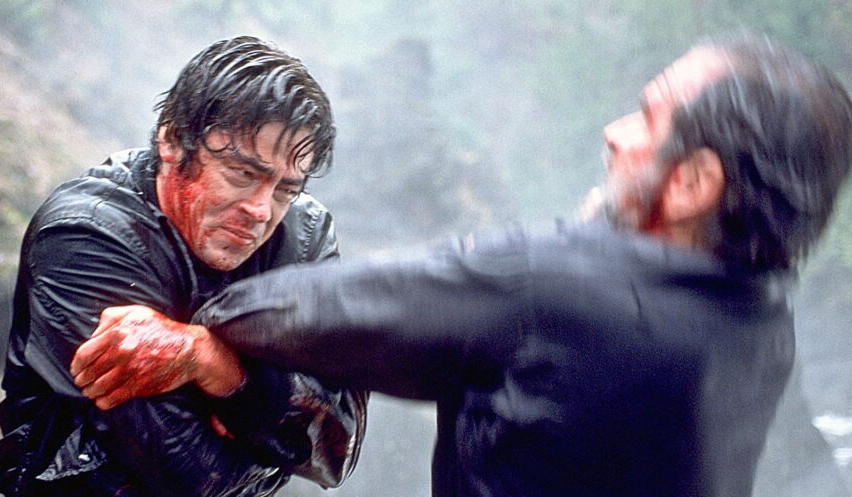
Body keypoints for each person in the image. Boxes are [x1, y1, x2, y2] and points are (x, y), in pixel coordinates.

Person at [72, 36, 852, 497]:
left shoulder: (558, 284)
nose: (615, 133)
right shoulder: (764, 325)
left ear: (692, 183)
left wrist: (199, 337)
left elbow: (313, 312)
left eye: (648, 118)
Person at [0, 36, 366, 497]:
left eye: (286, 189)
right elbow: (191, 479)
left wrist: (214, 363)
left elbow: (337, 449)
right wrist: (275, 436)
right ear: (172, 139)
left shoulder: (304, 236)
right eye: (243, 174)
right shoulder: (86, 235)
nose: (261, 210)